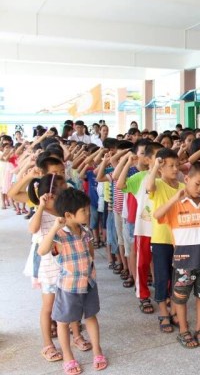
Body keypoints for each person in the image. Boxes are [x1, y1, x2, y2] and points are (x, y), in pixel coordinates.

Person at [37, 188, 108, 374]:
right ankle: (68, 357)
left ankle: (97, 351)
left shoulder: (86, 232)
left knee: (91, 316)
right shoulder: (59, 235)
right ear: (69, 215)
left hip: (89, 284)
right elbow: (42, 251)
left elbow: (90, 254)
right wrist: (54, 228)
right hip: (68, 287)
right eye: (84, 210)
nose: (88, 213)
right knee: (63, 322)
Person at [154, 161, 200, 349]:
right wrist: (175, 198)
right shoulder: (177, 204)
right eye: (197, 183)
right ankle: (183, 330)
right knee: (180, 298)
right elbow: (157, 215)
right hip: (183, 261)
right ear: (187, 179)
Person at [118, 142, 163, 315]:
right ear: (147, 159)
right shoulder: (140, 177)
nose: (161, 160)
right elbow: (120, 185)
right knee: (142, 264)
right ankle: (143, 295)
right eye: (158, 157)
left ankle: (163, 294)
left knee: (163, 264)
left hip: (163, 231)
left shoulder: (167, 178)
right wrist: (128, 163)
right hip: (144, 229)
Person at [145, 148, 185, 333]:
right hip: (161, 239)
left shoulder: (183, 186)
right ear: (161, 168)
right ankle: (163, 312)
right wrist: (155, 166)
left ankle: (175, 310)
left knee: (178, 277)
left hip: (181, 239)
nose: (175, 169)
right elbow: (149, 186)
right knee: (162, 277)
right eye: (170, 166)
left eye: (177, 165)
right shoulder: (158, 184)